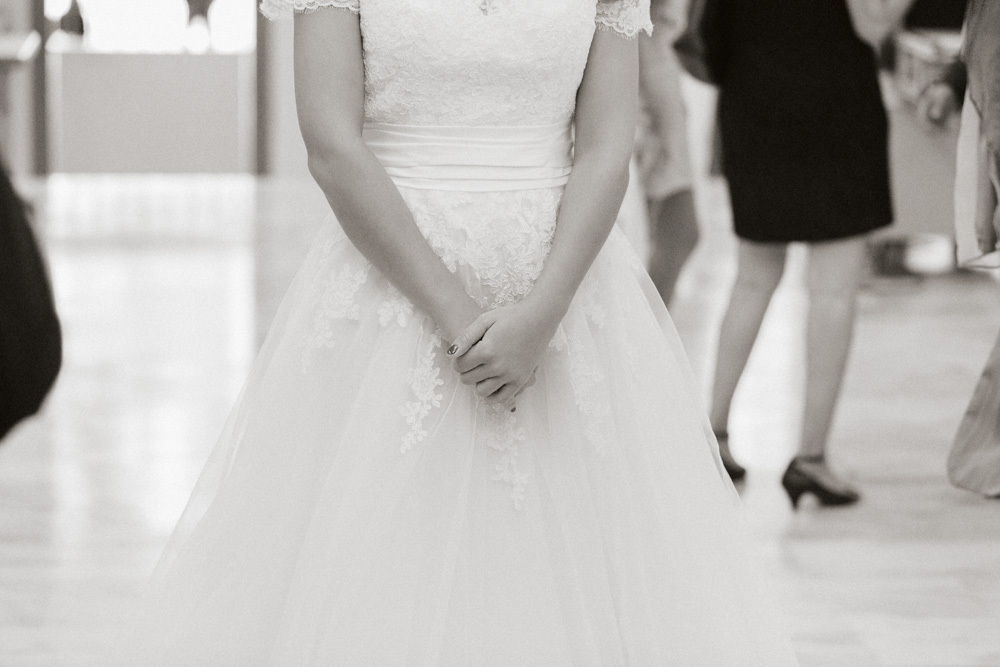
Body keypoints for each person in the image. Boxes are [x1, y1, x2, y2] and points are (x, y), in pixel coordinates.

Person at [109, 1, 799, 663]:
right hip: (391, 283)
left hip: (565, 285)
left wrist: (544, 309)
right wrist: (459, 318)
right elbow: (331, 144)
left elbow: (606, 147)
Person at [708, 0, 910, 502]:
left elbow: (712, 37)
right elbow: (873, 21)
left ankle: (712, 435)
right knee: (833, 291)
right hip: (835, 106)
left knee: (752, 277)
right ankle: (811, 459)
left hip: (753, 102)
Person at [636, 0, 699, 307]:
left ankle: (646, 340)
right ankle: (644, 341)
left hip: (652, 99)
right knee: (679, 232)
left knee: (676, 233)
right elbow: (642, 34)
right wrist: (668, 132)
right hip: (647, 106)